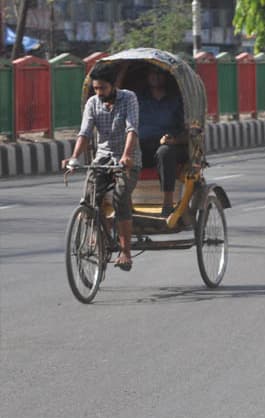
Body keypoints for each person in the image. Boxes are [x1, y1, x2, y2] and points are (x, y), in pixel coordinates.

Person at [61, 64, 141, 270]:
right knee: (90, 197)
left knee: (120, 197)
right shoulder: (93, 103)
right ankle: (101, 238)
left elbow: (132, 129)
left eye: (102, 88)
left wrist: (126, 155)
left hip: (127, 159)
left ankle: (125, 251)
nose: (99, 93)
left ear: (113, 85)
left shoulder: (129, 98)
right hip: (102, 158)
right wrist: (74, 158)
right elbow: (85, 133)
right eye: (95, 89)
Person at [138, 66, 187, 217]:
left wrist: (174, 140)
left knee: (164, 152)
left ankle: (167, 203)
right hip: (143, 146)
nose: (156, 77)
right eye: (152, 73)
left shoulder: (177, 100)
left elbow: (191, 130)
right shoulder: (138, 99)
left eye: (159, 74)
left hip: (171, 147)